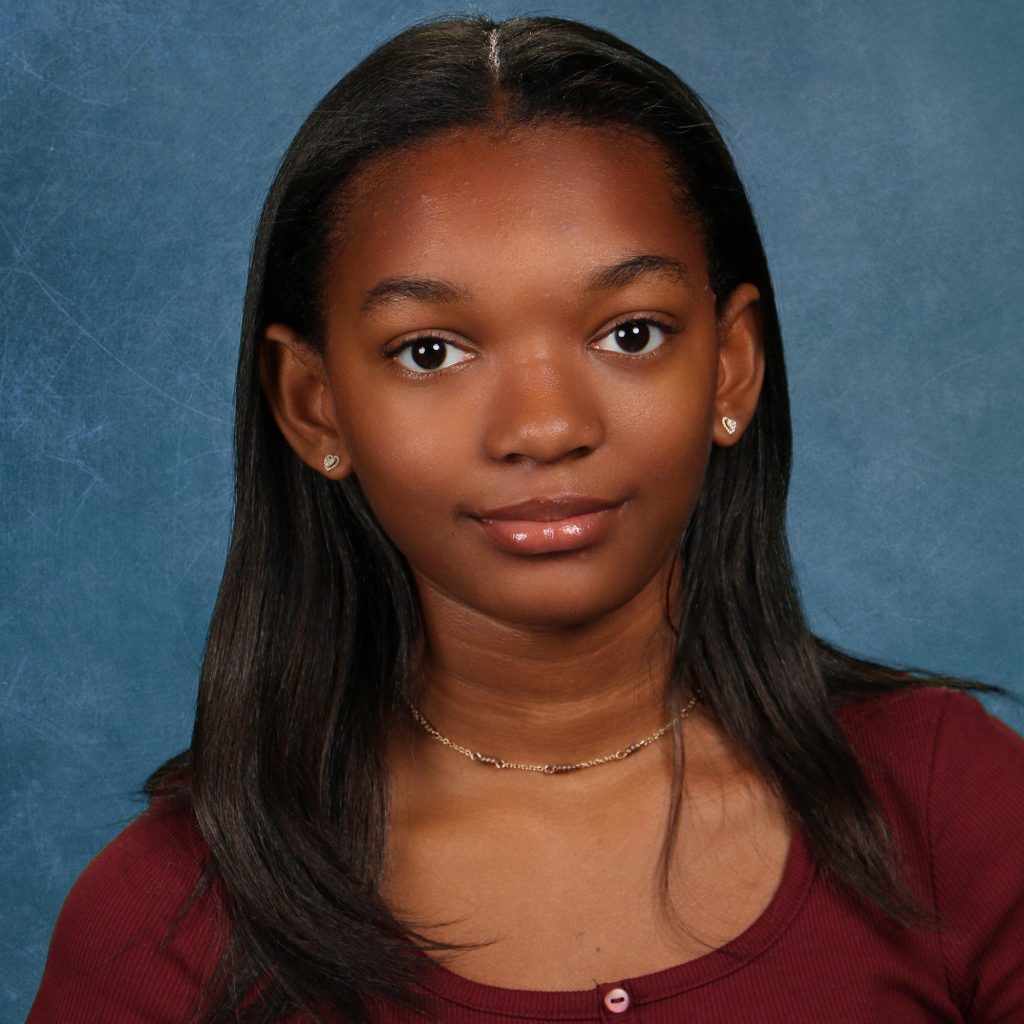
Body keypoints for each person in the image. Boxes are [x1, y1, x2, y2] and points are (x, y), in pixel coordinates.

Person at [27, 13, 1024, 1024]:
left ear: (730, 367)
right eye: (430, 351)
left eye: (629, 333)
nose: (544, 427)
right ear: (312, 404)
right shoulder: (162, 923)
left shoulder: (958, 811)